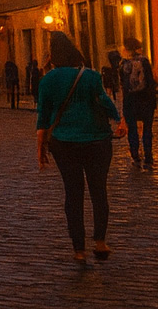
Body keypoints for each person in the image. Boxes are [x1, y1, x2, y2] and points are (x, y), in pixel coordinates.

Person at [36, 32, 125, 264]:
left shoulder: (47, 81)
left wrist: (40, 150)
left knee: (73, 194)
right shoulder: (91, 76)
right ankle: (100, 242)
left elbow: (43, 119)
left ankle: (79, 249)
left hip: (64, 143)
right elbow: (104, 101)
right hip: (97, 141)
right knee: (98, 191)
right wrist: (119, 119)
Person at [118, 37, 156, 168]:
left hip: (130, 100)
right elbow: (150, 82)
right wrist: (153, 100)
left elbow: (123, 84)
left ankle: (135, 154)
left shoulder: (123, 64)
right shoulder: (144, 61)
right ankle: (148, 156)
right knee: (147, 129)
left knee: (132, 129)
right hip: (145, 99)